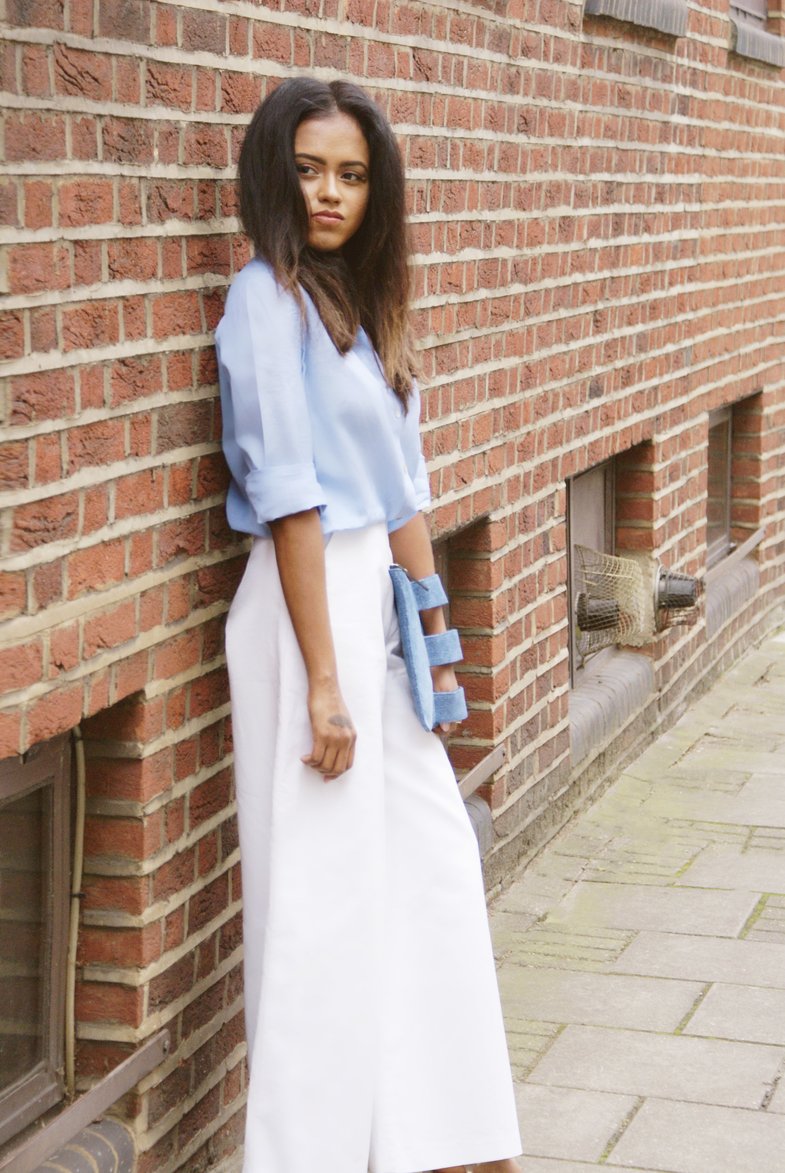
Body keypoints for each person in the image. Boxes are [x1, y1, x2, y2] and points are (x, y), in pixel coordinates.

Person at [215, 76, 522, 1173]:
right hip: (304, 617)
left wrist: (432, 653)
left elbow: (405, 502)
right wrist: (325, 679)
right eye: (306, 169)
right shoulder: (265, 299)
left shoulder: (368, 311)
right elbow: (293, 496)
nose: (329, 193)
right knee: (319, 908)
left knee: (435, 860)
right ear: (272, 175)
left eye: (350, 173)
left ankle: (448, 1135)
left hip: (376, 618)